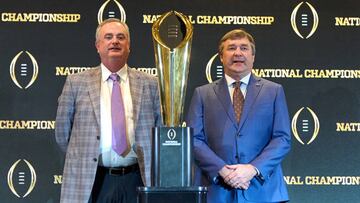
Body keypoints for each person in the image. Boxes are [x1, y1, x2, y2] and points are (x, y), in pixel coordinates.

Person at [55, 18, 161, 203]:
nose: (115, 41)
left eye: (121, 37)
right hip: (93, 180)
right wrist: (85, 157)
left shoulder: (150, 83)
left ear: (129, 45)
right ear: (98, 45)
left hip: (138, 178)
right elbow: (62, 133)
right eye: (108, 37)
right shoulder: (76, 82)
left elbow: (161, 129)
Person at [186, 29, 291, 203]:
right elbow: (194, 140)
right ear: (221, 56)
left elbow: (282, 139)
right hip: (217, 190)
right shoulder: (202, 94)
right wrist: (222, 170)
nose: (238, 53)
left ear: (253, 56)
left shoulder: (273, 91)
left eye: (244, 48)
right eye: (231, 48)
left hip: (263, 190)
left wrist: (252, 169)